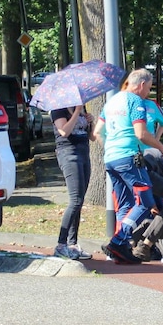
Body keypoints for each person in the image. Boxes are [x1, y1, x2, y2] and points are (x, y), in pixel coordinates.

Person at [93, 68, 163, 264]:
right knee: (145, 200)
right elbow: (141, 134)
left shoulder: (112, 101)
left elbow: (97, 133)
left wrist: (111, 148)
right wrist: (161, 147)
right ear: (141, 85)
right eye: (149, 88)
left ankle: (122, 247)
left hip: (111, 158)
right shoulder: (135, 101)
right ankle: (118, 241)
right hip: (129, 157)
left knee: (125, 204)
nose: (148, 93)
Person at [50, 104, 93, 260]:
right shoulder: (58, 110)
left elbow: (92, 137)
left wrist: (91, 121)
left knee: (80, 201)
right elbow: (64, 131)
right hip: (68, 154)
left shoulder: (82, 108)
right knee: (75, 200)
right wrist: (76, 113)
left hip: (84, 153)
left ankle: (72, 244)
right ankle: (61, 245)